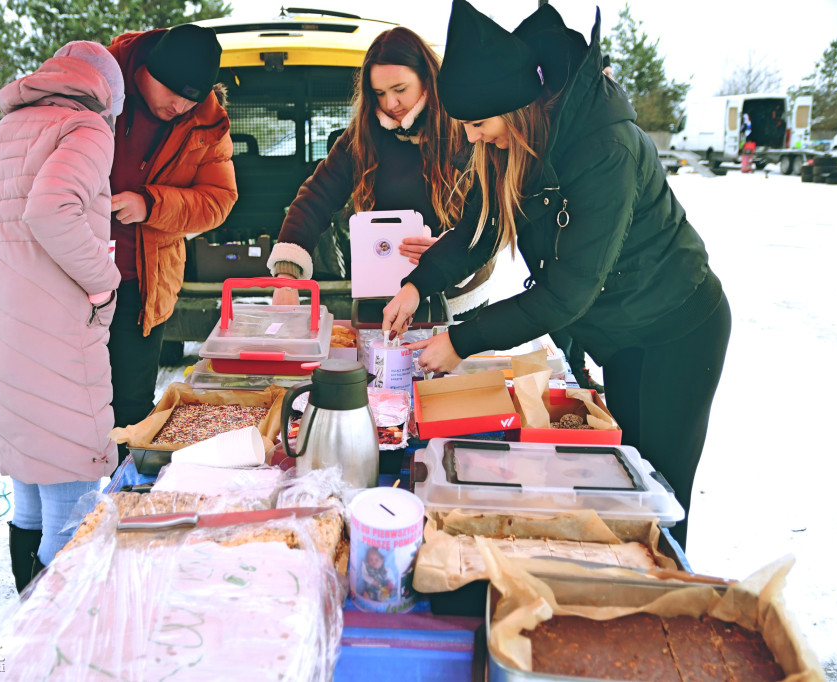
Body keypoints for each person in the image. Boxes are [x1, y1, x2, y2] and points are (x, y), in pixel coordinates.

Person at [382, 0, 731, 547]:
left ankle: (660, 598)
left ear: (516, 109)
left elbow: (565, 293)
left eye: (477, 124)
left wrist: (461, 341)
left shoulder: (603, 149)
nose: (472, 138)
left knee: (656, 493)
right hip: (616, 332)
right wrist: (416, 283)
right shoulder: (512, 143)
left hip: (675, 327)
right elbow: (477, 232)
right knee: (620, 484)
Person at [0, 41, 125, 593]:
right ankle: (54, 646)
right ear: (107, 92)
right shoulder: (85, 128)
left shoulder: (2, 132)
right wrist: (105, 284)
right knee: (73, 507)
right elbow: (50, 210)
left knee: (31, 492)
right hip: (50, 340)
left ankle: (25, 615)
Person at [266, 27, 494, 320]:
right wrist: (287, 273)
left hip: (459, 299)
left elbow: (492, 213)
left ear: (427, 78)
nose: (390, 104)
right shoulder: (362, 137)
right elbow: (315, 198)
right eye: (380, 93)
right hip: (389, 296)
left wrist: (452, 253)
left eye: (400, 90)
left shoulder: (465, 129)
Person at [106, 24, 238, 466]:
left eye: (192, 97)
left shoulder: (207, 122)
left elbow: (219, 201)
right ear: (144, 71)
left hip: (143, 286)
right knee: (67, 411)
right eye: (174, 92)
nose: (180, 106)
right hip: (73, 279)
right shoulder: (97, 82)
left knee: (131, 407)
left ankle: (126, 507)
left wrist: (152, 204)